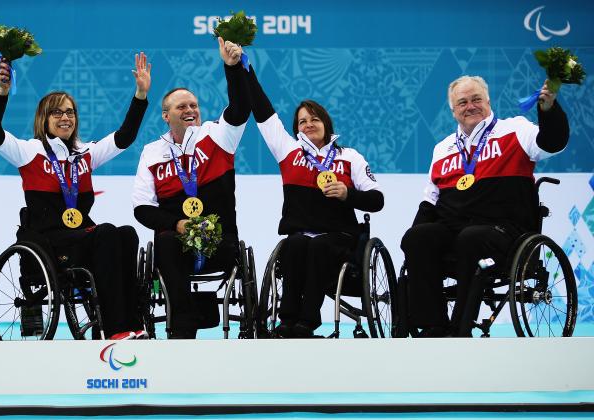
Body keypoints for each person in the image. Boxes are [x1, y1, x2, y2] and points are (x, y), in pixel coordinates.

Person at [0, 52, 151, 340]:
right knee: (108, 232)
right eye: (57, 112)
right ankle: (114, 328)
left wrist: (140, 95)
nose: (65, 117)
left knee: (126, 234)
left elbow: (125, 136)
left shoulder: (85, 154)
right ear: (43, 119)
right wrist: (2, 92)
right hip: (48, 242)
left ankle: (133, 323)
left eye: (70, 112)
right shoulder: (28, 151)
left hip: (82, 239)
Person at [400, 75, 569, 337]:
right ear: (453, 110)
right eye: (463, 102)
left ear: (488, 101)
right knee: (418, 237)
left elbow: (553, 142)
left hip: (505, 232)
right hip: (455, 231)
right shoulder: (443, 148)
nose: (471, 106)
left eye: (476, 99)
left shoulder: (515, 130)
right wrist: (412, 243)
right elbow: (430, 199)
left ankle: (460, 328)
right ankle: (433, 325)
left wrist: (548, 110)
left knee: (472, 237)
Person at [245, 66, 384, 338]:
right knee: (296, 244)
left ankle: (307, 323)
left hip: (338, 237)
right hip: (301, 234)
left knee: (319, 245)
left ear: (326, 123)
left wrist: (347, 193)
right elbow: (263, 113)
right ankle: (287, 321)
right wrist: (245, 68)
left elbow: (376, 200)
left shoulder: (350, 157)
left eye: (314, 119)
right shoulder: (288, 151)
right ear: (296, 129)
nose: (308, 124)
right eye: (302, 121)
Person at [131, 37, 250, 339]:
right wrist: (177, 224)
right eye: (181, 106)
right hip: (175, 245)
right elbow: (142, 208)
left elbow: (238, 109)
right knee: (167, 242)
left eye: (194, 105)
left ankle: (185, 323)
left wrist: (232, 67)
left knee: (178, 243)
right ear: (165, 115)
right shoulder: (152, 151)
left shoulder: (217, 135)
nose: (190, 109)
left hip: (219, 241)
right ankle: (183, 327)